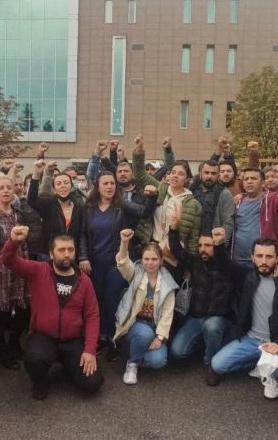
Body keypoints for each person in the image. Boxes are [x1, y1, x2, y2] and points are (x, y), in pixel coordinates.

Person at [2, 226, 104, 400]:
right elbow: (8, 260)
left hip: (73, 340)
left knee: (92, 384)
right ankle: (40, 381)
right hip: (43, 337)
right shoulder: (38, 271)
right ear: (51, 253)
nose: (67, 254)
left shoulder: (85, 281)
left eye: (70, 249)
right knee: (34, 359)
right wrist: (13, 242)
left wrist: (89, 350)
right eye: (61, 250)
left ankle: (69, 367)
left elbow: (92, 316)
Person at [210, 238, 278, 399]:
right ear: (252, 258)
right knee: (217, 364)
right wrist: (219, 244)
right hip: (251, 340)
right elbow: (226, 264)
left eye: (269, 256)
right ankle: (261, 363)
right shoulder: (247, 277)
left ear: (277, 258)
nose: (264, 261)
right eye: (259, 256)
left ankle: (272, 377)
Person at [78, 171, 157, 359]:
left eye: (112, 183)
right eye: (105, 183)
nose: (109, 186)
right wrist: (83, 256)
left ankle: (113, 339)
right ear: (97, 186)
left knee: (112, 301)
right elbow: (82, 234)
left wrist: (152, 196)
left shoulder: (122, 206)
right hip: (93, 264)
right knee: (96, 302)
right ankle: (99, 338)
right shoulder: (88, 208)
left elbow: (144, 212)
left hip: (116, 265)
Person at [169, 226, 238, 384]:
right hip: (196, 318)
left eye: (208, 245)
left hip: (218, 319)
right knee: (177, 352)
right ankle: (206, 343)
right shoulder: (196, 262)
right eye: (200, 245)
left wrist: (219, 244)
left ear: (216, 247)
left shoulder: (227, 266)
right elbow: (177, 250)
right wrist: (173, 229)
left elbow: (223, 258)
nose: (202, 249)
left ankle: (211, 364)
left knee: (211, 327)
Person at [114, 230, 177, 384]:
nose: (150, 263)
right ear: (141, 260)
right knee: (144, 334)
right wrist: (124, 242)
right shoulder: (135, 273)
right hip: (135, 324)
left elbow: (167, 314)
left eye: (154, 259)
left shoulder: (168, 283)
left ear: (161, 260)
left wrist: (159, 338)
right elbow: (123, 262)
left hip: (155, 327)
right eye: (146, 259)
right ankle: (132, 365)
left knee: (159, 361)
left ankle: (133, 353)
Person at [132, 135, 202, 269]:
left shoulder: (193, 204)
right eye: (173, 172)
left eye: (181, 174)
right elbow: (140, 175)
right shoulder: (161, 188)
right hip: (152, 247)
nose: (175, 176)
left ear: (187, 179)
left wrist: (191, 265)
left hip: (172, 254)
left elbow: (193, 238)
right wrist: (139, 151)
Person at [0, 175, 30, 370]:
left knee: (24, 308)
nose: (6, 191)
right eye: (1, 187)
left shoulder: (19, 213)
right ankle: (3, 350)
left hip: (20, 265)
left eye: (9, 187)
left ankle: (15, 342)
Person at [232, 167, 278, 267]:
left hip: (264, 261)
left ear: (262, 183)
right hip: (238, 259)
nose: (249, 181)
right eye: (246, 179)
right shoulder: (237, 201)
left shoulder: (272, 198)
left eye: (253, 178)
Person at [28, 160, 84, 259]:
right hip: (48, 256)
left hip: (71, 256)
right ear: (54, 189)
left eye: (66, 183)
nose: (62, 186)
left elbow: (83, 235)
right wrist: (36, 174)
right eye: (58, 183)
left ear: (71, 187)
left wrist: (83, 257)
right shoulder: (48, 205)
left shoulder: (79, 208)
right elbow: (31, 200)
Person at [193, 160, 236, 242]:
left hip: (213, 243)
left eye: (213, 173)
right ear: (200, 174)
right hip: (193, 242)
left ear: (218, 175)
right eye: (206, 172)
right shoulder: (193, 191)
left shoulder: (224, 194)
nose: (209, 176)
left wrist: (220, 240)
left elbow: (229, 221)